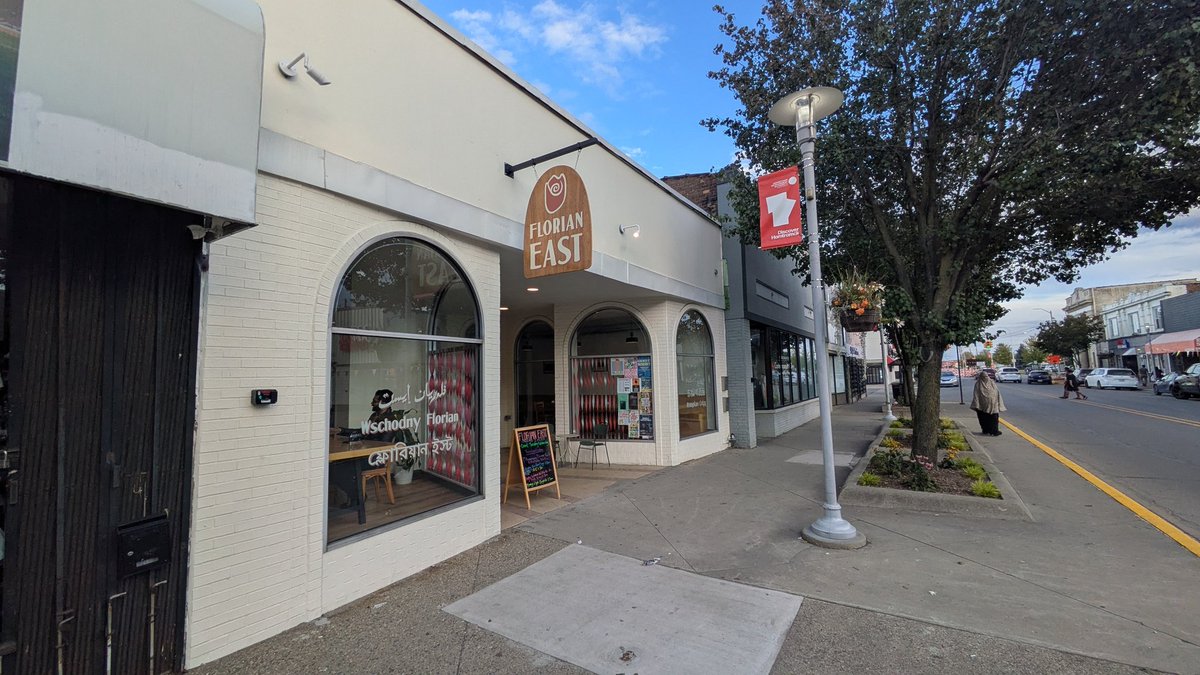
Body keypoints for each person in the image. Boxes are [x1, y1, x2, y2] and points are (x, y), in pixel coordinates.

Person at [970, 370, 1006, 436]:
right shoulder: (978, 384)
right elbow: (976, 395)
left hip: (993, 404)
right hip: (982, 405)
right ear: (981, 377)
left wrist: (998, 401)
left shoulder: (991, 383)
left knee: (993, 418)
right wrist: (977, 404)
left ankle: (994, 431)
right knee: (984, 419)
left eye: (986, 376)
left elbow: (997, 392)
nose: (985, 378)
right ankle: (986, 430)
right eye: (984, 377)